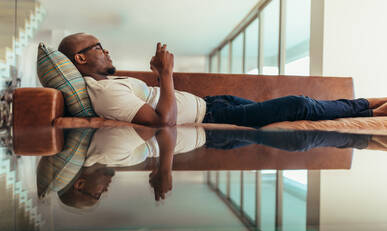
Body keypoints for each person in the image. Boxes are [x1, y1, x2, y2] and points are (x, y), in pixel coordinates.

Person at [58, 33, 387, 128]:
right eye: (98, 47)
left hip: (214, 104)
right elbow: (162, 122)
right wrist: (166, 75)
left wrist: (162, 77)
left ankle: (369, 104)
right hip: (214, 118)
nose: (107, 50)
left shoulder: (111, 84)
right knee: (298, 104)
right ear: (82, 59)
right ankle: (370, 112)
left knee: (298, 104)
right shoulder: (103, 93)